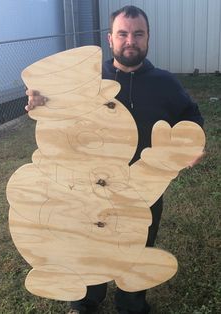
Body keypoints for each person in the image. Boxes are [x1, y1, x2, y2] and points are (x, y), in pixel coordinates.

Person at [25, 5, 204, 314]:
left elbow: (191, 116)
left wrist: (192, 145)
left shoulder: (165, 83)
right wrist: (38, 102)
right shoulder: (89, 80)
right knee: (85, 239)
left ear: (148, 38)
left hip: (140, 186)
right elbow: (53, 111)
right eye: (122, 34)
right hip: (86, 183)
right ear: (110, 39)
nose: (130, 41)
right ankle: (85, 301)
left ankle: (132, 305)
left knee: (135, 244)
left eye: (137, 34)